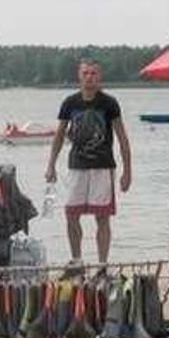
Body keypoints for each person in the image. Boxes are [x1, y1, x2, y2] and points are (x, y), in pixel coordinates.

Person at [45, 58, 132, 265]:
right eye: (85, 73)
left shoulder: (109, 103)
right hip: (77, 167)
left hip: (103, 167)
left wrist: (127, 172)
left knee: (102, 217)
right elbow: (59, 135)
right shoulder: (70, 103)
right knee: (71, 215)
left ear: (99, 76)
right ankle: (77, 261)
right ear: (79, 76)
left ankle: (102, 265)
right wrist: (51, 165)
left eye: (93, 73)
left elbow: (122, 138)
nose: (89, 77)